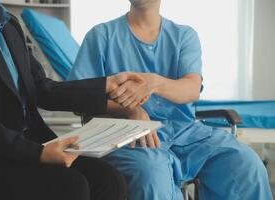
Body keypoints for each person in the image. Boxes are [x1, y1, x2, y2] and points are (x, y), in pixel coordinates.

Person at [67, 0, 273, 199]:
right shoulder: (101, 36)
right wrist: (131, 111)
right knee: (152, 176)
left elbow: (191, 89)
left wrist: (153, 83)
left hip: (187, 134)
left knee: (246, 164)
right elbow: (79, 100)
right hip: (131, 139)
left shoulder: (184, 36)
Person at [0, 0, 130, 199]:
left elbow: (41, 88)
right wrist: (39, 153)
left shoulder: (8, 23)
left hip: (31, 142)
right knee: (72, 186)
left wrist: (104, 86)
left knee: (109, 180)